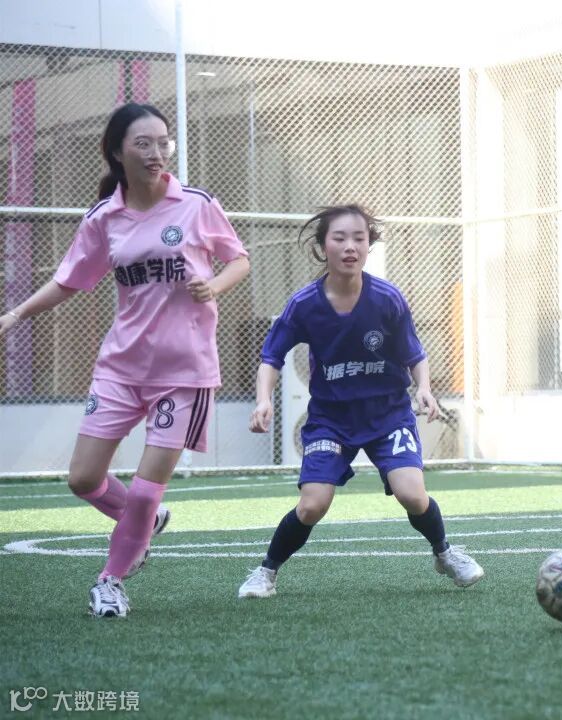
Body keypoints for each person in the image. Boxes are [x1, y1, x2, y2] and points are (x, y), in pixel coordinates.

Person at [0, 103, 250, 617]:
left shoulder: (197, 205)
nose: (157, 152)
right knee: (82, 479)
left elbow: (238, 259)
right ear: (117, 152)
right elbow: (69, 280)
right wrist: (16, 313)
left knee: (143, 491)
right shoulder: (104, 218)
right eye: (144, 143)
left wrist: (214, 284)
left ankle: (110, 581)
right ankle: (145, 524)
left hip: (184, 375)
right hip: (120, 369)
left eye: (164, 142)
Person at [238, 204, 483, 599]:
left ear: (369, 246)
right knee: (312, 506)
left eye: (359, 238)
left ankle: (445, 553)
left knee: (412, 494)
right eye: (339, 238)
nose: (350, 246)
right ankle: (266, 572)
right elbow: (272, 357)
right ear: (323, 246)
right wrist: (263, 399)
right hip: (331, 420)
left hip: (388, 415)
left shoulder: (387, 298)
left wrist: (423, 387)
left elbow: (415, 354)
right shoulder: (304, 304)